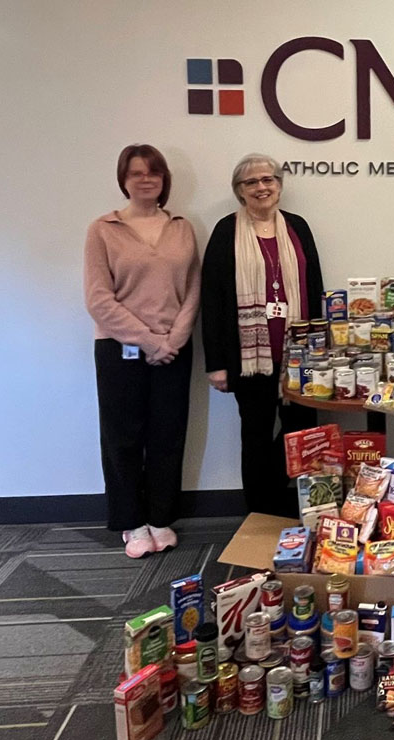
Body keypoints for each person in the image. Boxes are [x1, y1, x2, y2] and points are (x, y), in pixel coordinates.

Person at [84, 144, 200, 558]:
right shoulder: (103, 228)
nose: (145, 179)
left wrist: (174, 340)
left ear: (164, 179)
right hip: (119, 351)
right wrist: (151, 341)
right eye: (136, 173)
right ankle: (131, 522)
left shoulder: (182, 227)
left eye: (153, 172)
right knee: (122, 437)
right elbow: (99, 300)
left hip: (174, 348)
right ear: (124, 179)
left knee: (167, 435)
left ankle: (159, 518)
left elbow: (192, 291)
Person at [201, 154, 323, 516]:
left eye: (268, 179)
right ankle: (258, 510)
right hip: (248, 357)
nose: (261, 187)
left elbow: (315, 287)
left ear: (280, 185)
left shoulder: (298, 227)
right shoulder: (226, 231)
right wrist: (217, 364)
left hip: (300, 354)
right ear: (239, 191)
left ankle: (284, 502)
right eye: (251, 182)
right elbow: (212, 299)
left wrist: (322, 347)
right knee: (254, 435)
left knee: (301, 431)